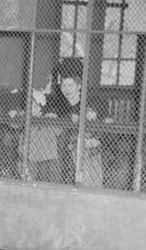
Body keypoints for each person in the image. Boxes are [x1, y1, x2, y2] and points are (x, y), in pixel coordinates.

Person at [35, 58, 102, 187]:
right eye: (63, 85)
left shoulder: (89, 104)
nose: (66, 89)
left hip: (86, 154)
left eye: (70, 85)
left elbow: (99, 129)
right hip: (64, 155)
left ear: (79, 85)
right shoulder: (59, 103)